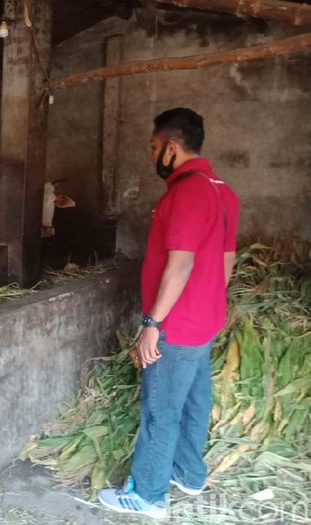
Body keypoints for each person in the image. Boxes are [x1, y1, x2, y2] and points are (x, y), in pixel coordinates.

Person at [98, 108, 240, 519]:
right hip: (206, 319)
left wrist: (152, 325)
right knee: (196, 399)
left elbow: (180, 265)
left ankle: (148, 494)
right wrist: (211, 302)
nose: (153, 154)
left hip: (176, 324)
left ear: (171, 147)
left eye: (154, 147)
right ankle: (190, 474)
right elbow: (226, 261)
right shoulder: (223, 191)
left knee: (161, 411)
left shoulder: (185, 193)